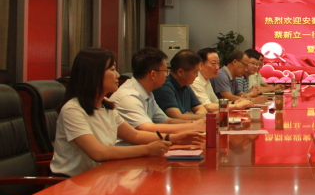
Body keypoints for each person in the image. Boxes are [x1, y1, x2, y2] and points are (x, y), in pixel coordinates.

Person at [50, 48, 202, 177]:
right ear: (94, 74)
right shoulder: (73, 110)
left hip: (102, 177)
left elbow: (134, 135)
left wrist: (175, 138)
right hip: (74, 183)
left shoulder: (106, 107)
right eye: (112, 70)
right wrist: (147, 149)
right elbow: (98, 153)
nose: (117, 75)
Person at [110, 47, 204, 138]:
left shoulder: (147, 92)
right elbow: (148, 128)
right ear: (153, 74)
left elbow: (167, 121)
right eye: (165, 71)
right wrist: (192, 126)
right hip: (129, 147)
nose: (167, 75)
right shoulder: (128, 97)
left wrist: (194, 123)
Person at [192, 47, 253, 112]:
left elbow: (215, 102)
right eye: (213, 63)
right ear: (201, 65)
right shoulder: (195, 80)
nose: (217, 67)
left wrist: (234, 102)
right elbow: (208, 107)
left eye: (218, 64)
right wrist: (236, 106)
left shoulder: (207, 80)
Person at [153, 49, 207, 120]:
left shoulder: (186, 85)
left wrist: (190, 116)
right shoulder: (164, 86)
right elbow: (177, 117)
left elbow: (202, 109)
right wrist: (201, 117)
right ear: (180, 72)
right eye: (196, 72)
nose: (197, 75)